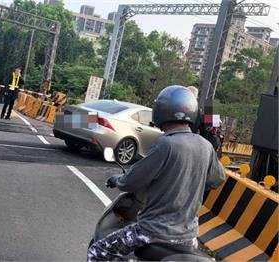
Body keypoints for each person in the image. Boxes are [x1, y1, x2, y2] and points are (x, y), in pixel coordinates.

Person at [87, 85, 225, 261]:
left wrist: (117, 180)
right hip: (188, 238)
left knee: (97, 252)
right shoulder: (205, 146)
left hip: (153, 231)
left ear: (161, 111)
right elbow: (217, 179)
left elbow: (133, 180)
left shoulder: (165, 144)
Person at [187, 86, 224, 153]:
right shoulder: (208, 108)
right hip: (205, 148)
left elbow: (216, 133)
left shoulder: (207, 109)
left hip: (202, 146)